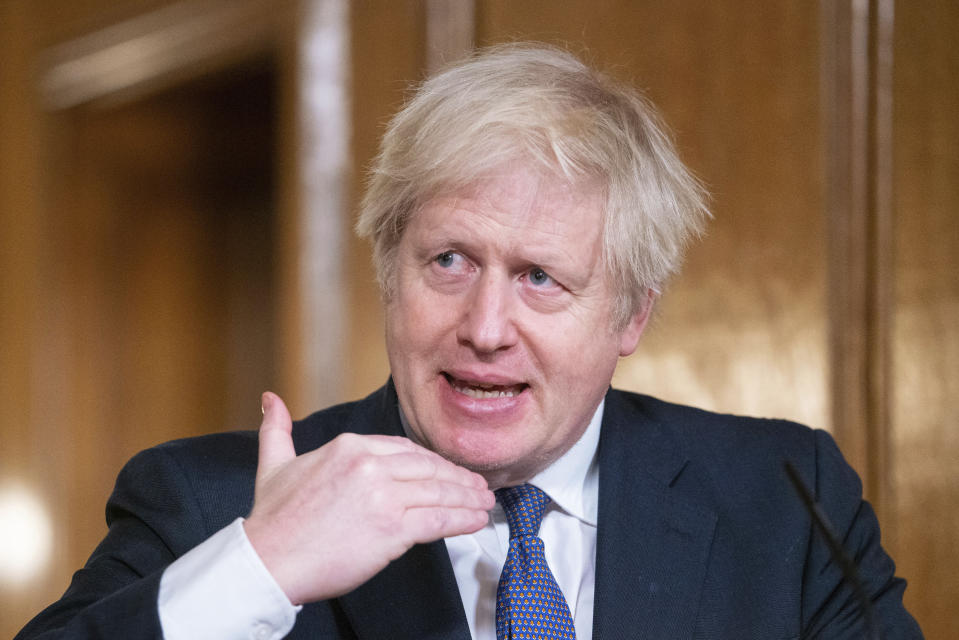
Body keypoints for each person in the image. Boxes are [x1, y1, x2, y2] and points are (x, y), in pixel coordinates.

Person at [17, 43, 921, 640]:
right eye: (448, 261)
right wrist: (264, 565)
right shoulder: (206, 505)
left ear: (632, 316)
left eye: (540, 278)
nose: (485, 330)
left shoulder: (789, 505)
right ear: (386, 269)